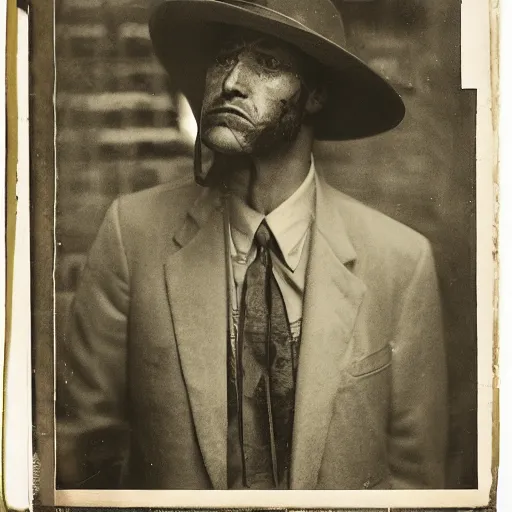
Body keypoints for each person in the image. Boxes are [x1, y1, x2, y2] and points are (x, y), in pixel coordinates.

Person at [56, 0, 448, 491]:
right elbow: (81, 452)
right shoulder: (132, 234)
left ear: (316, 96)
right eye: (225, 58)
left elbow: (417, 482)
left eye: (267, 63)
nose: (231, 82)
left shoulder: (400, 261)